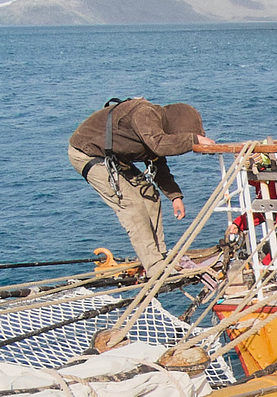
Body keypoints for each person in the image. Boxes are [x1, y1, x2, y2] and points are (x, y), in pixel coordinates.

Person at [68, 98, 215, 279]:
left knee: (149, 195)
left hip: (111, 156)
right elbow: (159, 145)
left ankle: (159, 256)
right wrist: (194, 139)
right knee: (132, 205)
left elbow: (158, 162)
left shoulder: (155, 129)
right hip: (87, 153)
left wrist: (175, 196)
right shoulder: (145, 113)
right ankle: (154, 267)